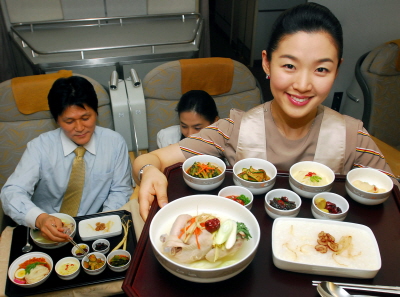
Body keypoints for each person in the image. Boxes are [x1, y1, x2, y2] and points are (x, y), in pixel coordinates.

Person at [133, 3, 398, 220]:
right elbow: (147, 161)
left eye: (321, 69)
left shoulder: (353, 135)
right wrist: (149, 172)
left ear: (336, 71)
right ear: (267, 64)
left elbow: (393, 198)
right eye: (289, 66)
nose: (303, 85)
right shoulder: (233, 128)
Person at [0, 76, 133, 242]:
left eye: (86, 118)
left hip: (95, 226)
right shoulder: (39, 147)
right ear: (56, 120)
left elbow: (120, 191)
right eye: (69, 121)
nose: (79, 128)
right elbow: (11, 192)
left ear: (96, 112)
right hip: (46, 231)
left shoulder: (114, 143)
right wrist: (40, 219)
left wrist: (100, 224)